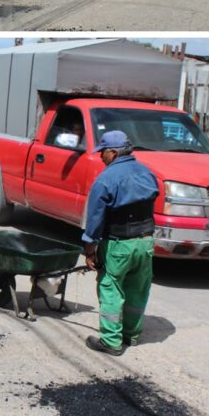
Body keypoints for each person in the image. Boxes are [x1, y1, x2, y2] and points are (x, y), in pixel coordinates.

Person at [81, 131, 159, 356]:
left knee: (110, 288)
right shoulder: (147, 173)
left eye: (102, 152)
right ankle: (131, 335)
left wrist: (89, 249)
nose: (100, 157)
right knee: (138, 288)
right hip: (145, 243)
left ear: (113, 153)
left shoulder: (106, 179)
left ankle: (111, 341)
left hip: (118, 243)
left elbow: (95, 219)